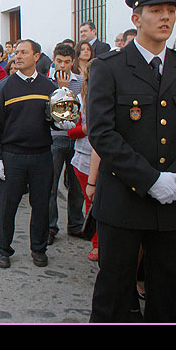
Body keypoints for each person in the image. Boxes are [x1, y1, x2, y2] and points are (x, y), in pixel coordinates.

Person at [87, 0, 176, 323]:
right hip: (124, 200)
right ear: (137, 18)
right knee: (115, 294)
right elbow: (102, 133)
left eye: (171, 11)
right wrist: (150, 179)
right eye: (155, 10)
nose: (165, 17)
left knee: (166, 293)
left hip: (173, 201)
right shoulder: (110, 67)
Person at [0, 39, 76, 269]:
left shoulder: (49, 88)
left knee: (41, 205)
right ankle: (3, 249)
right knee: (8, 206)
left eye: (23, 52)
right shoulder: (3, 87)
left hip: (41, 156)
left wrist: (63, 124)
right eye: (16, 52)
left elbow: (54, 120)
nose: (17, 56)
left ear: (36, 56)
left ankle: (38, 248)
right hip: (12, 156)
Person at [47, 43, 86, 244]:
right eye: (59, 61)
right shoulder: (46, 83)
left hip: (76, 138)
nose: (63, 65)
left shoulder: (80, 82)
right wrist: (61, 89)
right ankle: (51, 226)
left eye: (67, 62)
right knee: (51, 185)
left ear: (73, 62)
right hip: (54, 138)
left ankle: (76, 224)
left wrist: (67, 89)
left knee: (76, 186)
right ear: (54, 60)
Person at [69, 59, 99, 261]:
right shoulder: (80, 99)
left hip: (110, 159)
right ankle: (96, 244)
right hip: (85, 158)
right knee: (91, 202)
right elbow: (71, 131)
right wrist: (89, 129)